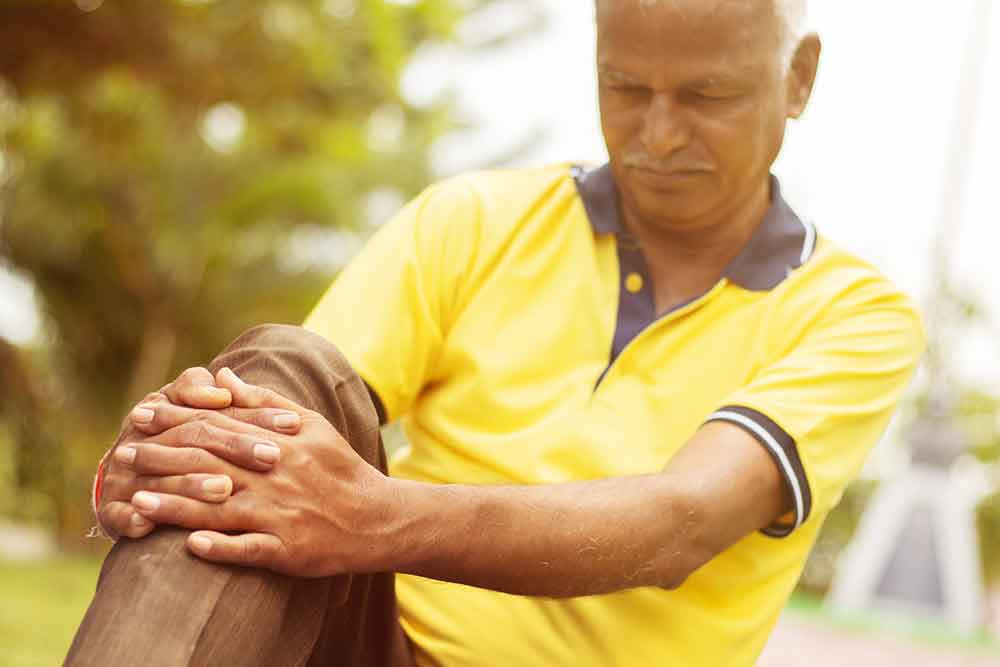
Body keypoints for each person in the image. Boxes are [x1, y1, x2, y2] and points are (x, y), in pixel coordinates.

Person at [67, 0, 926, 665]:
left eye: (708, 95)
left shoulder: (853, 313)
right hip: (373, 646)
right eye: (624, 88)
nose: (658, 135)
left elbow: (680, 523)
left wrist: (369, 514)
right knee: (280, 380)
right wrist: (174, 467)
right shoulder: (475, 219)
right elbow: (285, 434)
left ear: (800, 76)